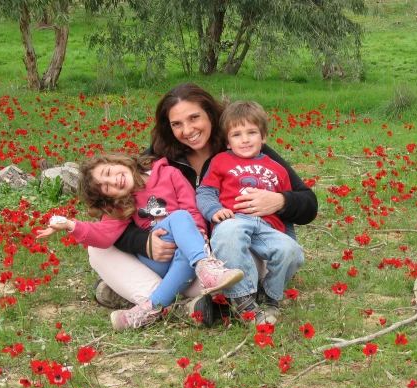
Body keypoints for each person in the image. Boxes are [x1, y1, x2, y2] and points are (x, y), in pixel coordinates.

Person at [88, 83, 318, 327]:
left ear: (211, 114)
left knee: (239, 250)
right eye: (177, 124)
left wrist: (280, 200)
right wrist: (143, 243)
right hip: (180, 255)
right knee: (98, 249)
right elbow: (114, 221)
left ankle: (149, 298)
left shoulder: (243, 144)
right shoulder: (157, 160)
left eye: (194, 117)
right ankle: (180, 306)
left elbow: (308, 203)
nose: (187, 130)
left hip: (227, 257)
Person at [37, 154, 243, 331]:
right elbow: (104, 235)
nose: (113, 181)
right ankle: (205, 267)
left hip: (186, 254)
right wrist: (71, 225)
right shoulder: (123, 204)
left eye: (108, 172)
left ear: (119, 161)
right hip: (158, 258)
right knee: (180, 219)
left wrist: (197, 232)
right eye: (106, 187)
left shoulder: (169, 174)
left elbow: (191, 207)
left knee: (182, 222)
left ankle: (149, 309)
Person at [196, 101, 305, 325]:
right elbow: (205, 191)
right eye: (236, 134)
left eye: (251, 132)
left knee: (292, 251)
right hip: (234, 220)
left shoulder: (277, 168)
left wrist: (288, 238)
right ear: (227, 141)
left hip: (268, 227)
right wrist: (214, 210)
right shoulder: (220, 161)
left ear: (263, 136)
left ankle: (269, 296)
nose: (245, 139)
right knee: (228, 238)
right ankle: (243, 300)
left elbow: (286, 213)